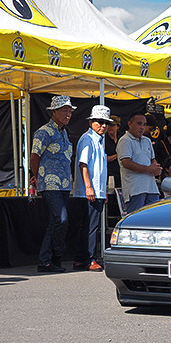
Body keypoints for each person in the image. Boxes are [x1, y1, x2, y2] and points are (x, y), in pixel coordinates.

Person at [30, 95, 76, 273]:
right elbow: (34, 156)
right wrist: (37, 176)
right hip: (49, 183)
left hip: (64, 184)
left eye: (70, 111)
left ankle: (50, 259)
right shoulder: (44, 132)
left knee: (56, 221)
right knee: (61, 218)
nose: (68, 114)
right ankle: (48, 258)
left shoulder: (64, 132)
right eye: (64, 110)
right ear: (54, 112)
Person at [72, 105, 111, 271]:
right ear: (91, 122)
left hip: (98, 190)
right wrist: (89, 187)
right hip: (90, 190)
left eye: (105, 123)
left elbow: (100, 168)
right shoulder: (87, 139)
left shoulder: (99, 140)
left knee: (89, 225)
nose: (103, 125)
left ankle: (81, 258)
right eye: (99, 122)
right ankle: (89, 258)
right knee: (90, 226)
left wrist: (103, 190)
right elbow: (83, 164)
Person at [117, 112, 162, 213]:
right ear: (130, 124)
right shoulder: (125, 140)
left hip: (151, 187)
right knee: (136, 220)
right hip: (135, 188)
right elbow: (126, 162)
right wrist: (148, 169)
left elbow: (152, 159)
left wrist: (156, 167)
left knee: (154, 217)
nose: (142, 127)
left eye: (144, 124)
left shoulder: (147, 141)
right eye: (139, 124)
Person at [105, 115, 122, 187]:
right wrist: (117, 155)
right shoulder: (103, 140)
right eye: (108, 125)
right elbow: (103, 159)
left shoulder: (122, 139)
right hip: (109, 174)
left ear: (118, 126)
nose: (109, 127)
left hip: (122, 173)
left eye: (112, 125)